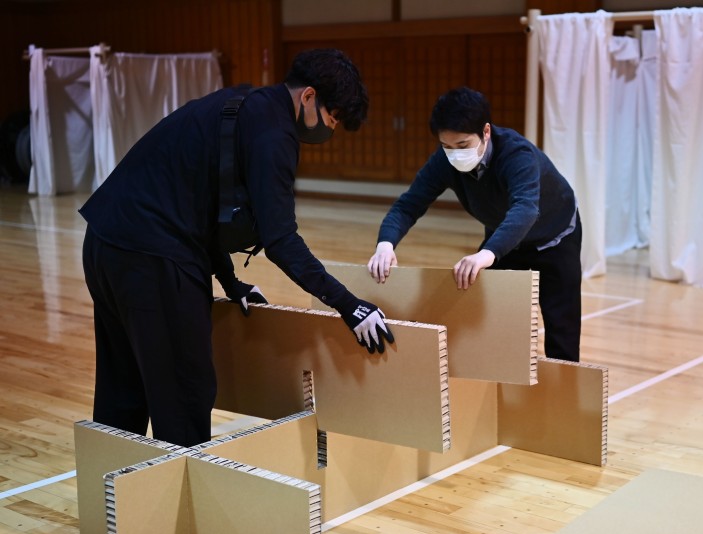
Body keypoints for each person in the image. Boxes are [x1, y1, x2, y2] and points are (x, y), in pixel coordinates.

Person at [80, 48, 393, 448]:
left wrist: (232, 284)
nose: (327, 131)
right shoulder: (274, 134)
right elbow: (281, 239)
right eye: (331, 119)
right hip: (153, 257)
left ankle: (113, 501)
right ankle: (182, 508)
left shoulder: (243, 104)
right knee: (185, 392)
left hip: (106, 242)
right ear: (309, 97)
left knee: (122, 388)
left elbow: (204, 209)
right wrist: (350, 305)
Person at [367, 87, 582, 362]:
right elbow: (409, 204)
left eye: (463, 146)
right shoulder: (444, 161)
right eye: (446, 146)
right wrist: (385, 245)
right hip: (505, 238)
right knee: (493, 325)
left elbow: (526, 208)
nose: (455, 154)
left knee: (561, 330)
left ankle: (560, 400)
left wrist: (486, 253)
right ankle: (499, 396)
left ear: (486, 132)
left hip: (555, 237)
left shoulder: (517, 154)